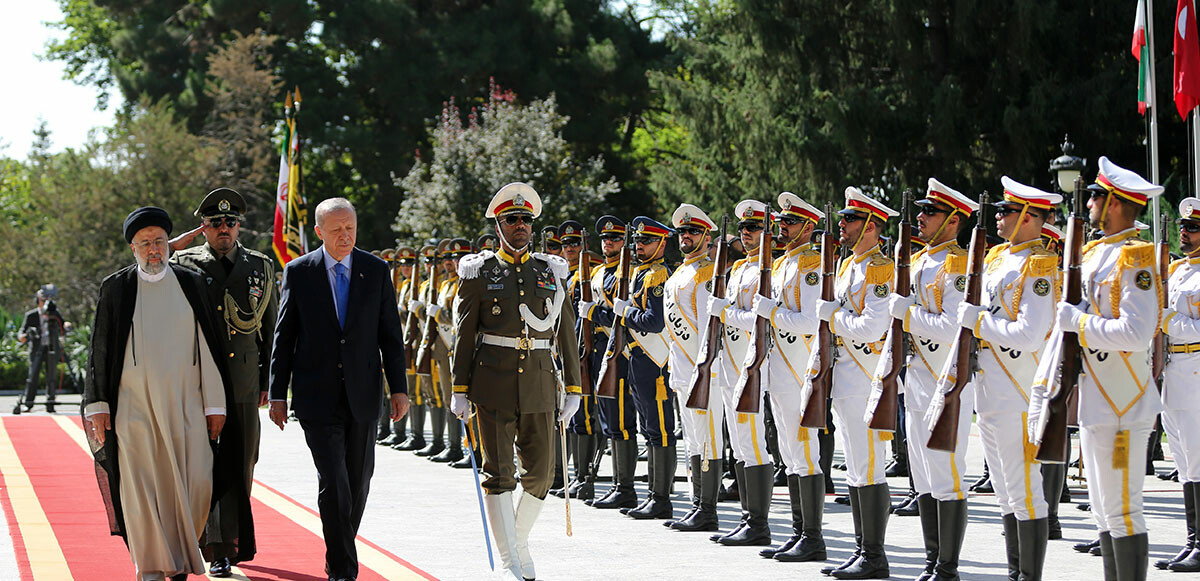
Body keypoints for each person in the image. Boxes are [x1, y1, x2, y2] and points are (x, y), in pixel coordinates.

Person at [83, 206, 239, 581]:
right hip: (132, 409)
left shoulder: (192, 283)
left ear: (168, 244)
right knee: (142, 488)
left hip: (187, 405)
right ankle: (153, 565)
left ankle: (182, 558)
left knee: (197, 481)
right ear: (133, 249)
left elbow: (210, 348)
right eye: (145, 244)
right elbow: (99, 350)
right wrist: (98, 406)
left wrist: (215, 405)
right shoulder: (116, 289)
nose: (154, 250)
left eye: (159, 242)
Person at [1031, 156, 1163, 580]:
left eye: (1095, 197)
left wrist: (1080, 322)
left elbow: (1137, 333)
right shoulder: (1092, 253)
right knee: (1104, 513)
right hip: (1095, 401)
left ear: (1116, 205)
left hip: (1123, 404)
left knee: (1123, 510)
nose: (1088, 204)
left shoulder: (1136, 258)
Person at [268, 197, 410, 581]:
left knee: (358, 483)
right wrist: (278, 393)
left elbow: (390, 336)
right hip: (317, 396)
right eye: (336, 230)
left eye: (350, 228)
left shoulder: (376, 270)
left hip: (364, 394)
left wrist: (399, 388)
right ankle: (345, 571)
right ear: (319, 232)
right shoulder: (299, 272)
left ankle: (337, 552)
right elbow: (285, 336)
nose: (345, 236)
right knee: (334, 483)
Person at [450, 182, 582, 581]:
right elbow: (465, 333)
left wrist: (574, 388)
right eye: (512, 219)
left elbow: (565, 335)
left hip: (541, 382)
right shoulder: (479, 272)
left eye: (526, 219)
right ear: (498, 224)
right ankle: (511, 562)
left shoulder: (550, 271)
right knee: (499, 473)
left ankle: (517, 542)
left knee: (543, 475)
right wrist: (459, 389)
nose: (520, 225)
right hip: (492, 381)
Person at [168, 187, 275, 576]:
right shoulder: (185, 263)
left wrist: (270, 383)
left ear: (240, 225)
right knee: (202, 465)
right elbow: (147, 267)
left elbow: (271, 331)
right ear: (204, 227)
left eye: (230, 222)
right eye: (215, 223)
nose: (224, 229)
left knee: (242, 462)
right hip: (199, 380)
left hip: (245, 381)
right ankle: (212, 547)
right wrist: (177, 244)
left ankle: (230, 540)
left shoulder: (260, 266)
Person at [885, 179, 977, 579]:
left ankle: (948, 565)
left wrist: (907, 314)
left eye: (930, 212)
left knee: (946, 474)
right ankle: (932, 558)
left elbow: (953, 327)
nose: (920, 218)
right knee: (922, 474)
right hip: (918, 377)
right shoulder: (919, 260)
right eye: (920, 211)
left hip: (947, 379)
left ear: (953, 221)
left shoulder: (957, 265)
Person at [815, 187, 898, 579]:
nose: (842, 226)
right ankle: (861, 548)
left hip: (866, 376)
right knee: (854, 468)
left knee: (868, 467)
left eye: (849, 220)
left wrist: (833, 319)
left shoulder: (879, 269)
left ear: (871, 226)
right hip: (844, 376)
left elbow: (872, 327)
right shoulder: (848, 265)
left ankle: (875, 555)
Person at [752, 193, 828, 562]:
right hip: (780, 370)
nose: (783, 228)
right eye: (781, 222)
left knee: (804, 453)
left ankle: (813, 536)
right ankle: (799, 532)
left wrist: (773, 312)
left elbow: (812, 322)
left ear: (809, 227)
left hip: (800, 370)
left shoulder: (811, 266)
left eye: (790, 223)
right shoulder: (783, 264)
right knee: (790, 453)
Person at [706, 199, 774, 547]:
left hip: (755, 365)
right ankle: (749, 519)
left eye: (754, 228)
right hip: (732, 364)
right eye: (744, 229)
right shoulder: (738, 270)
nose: (746, 234)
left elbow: (763, 321)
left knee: (753, 442)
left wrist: (726, 313)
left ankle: (759, 523)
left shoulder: (770, 269)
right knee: (741, 444)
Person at [611, 216, 678, 520]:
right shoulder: (640, 273)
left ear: (662, 243)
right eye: (637, 241)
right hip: (638, 359)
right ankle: (653, 494)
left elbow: (654, 322)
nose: (640, 246)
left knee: (660, 430)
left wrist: (626, 312)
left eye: (646, 241)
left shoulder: (658, 276)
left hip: (654, 361)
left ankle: (661, 498)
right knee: (648, 429)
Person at [663, 204, 724, 533]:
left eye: (693, 232)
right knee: (693, 440)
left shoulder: (705, 275)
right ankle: (696, 503)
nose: (686, 236)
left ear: (706, 236)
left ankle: (707, 508)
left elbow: (707, 330)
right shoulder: (679, 273)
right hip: (683, 371)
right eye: (683, 232)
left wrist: (704, 370)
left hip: (704, 373)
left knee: (708, 440)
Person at [578, 216, 639, 509]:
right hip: (601, 349)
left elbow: (620, 317)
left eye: (614, 238)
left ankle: (625, 486)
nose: (608, 243)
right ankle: (616, 484)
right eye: (605, 239)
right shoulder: (600, 272)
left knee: (622, 420)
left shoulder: (630, 272)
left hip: (622, 351)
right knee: (608, 420)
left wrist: (594, 314)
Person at [1155, 196, 1200, 572]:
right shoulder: (1177, 271)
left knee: (1198, 459)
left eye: (1193, 228)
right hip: (1174, 369)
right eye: (1183, 227)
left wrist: (1168, 319)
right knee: (1183, 460)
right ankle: (1192, 540)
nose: (1184, 232)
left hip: (1197, 368)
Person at [553, 219, 604, 501]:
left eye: (574, 244)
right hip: (565, 351)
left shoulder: (590, 274)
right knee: (571, 418)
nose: (569, 248)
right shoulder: (564, 277)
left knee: (584, 415)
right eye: (566, 244)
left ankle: (586, 479)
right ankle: (574, 475)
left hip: (585, 352)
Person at [429, 238, 471, 464]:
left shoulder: (468, 282)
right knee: (448, 396)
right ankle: (454, 445)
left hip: (459, 344)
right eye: (452, 258)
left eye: (459, 258)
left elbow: (457, 318)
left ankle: (472, 450)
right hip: (446, 346)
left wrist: (437, 314)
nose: (455, 262)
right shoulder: (447, 284)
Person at [396, 243, 439, 452]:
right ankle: (414, 435)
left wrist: (419, 310)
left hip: (431, 343)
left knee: (433, 393)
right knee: (415, 392)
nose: (430, 265)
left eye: (433, 261)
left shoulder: (432, 285)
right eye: (427, 261)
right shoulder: (417, 286)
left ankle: (434, 441)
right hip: (413, 341)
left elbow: (430, 318)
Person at [18, 285, 68, 413]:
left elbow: (63, 325)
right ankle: (28, 403)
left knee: (51, 377)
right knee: (32, 376)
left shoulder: (54, 313)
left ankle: (50, 404)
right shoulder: (31, 315)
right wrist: (22, 337)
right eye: (43, 298)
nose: (45, 301)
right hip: (36, 349)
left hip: (52, 347)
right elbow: (21, 332)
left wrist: (67, 325)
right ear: (38, 299)